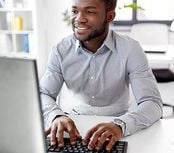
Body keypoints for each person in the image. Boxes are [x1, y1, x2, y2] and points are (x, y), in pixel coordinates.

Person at [40, 0, 163, 151]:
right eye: (74, 11)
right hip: (76, 126)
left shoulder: (130, 49)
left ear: (110, 16)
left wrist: (120, 125)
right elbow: (43, 93)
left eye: (90, 12)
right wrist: (56, 116)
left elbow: (152, 103)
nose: (79, 19)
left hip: (119, 125)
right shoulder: (60, 50)